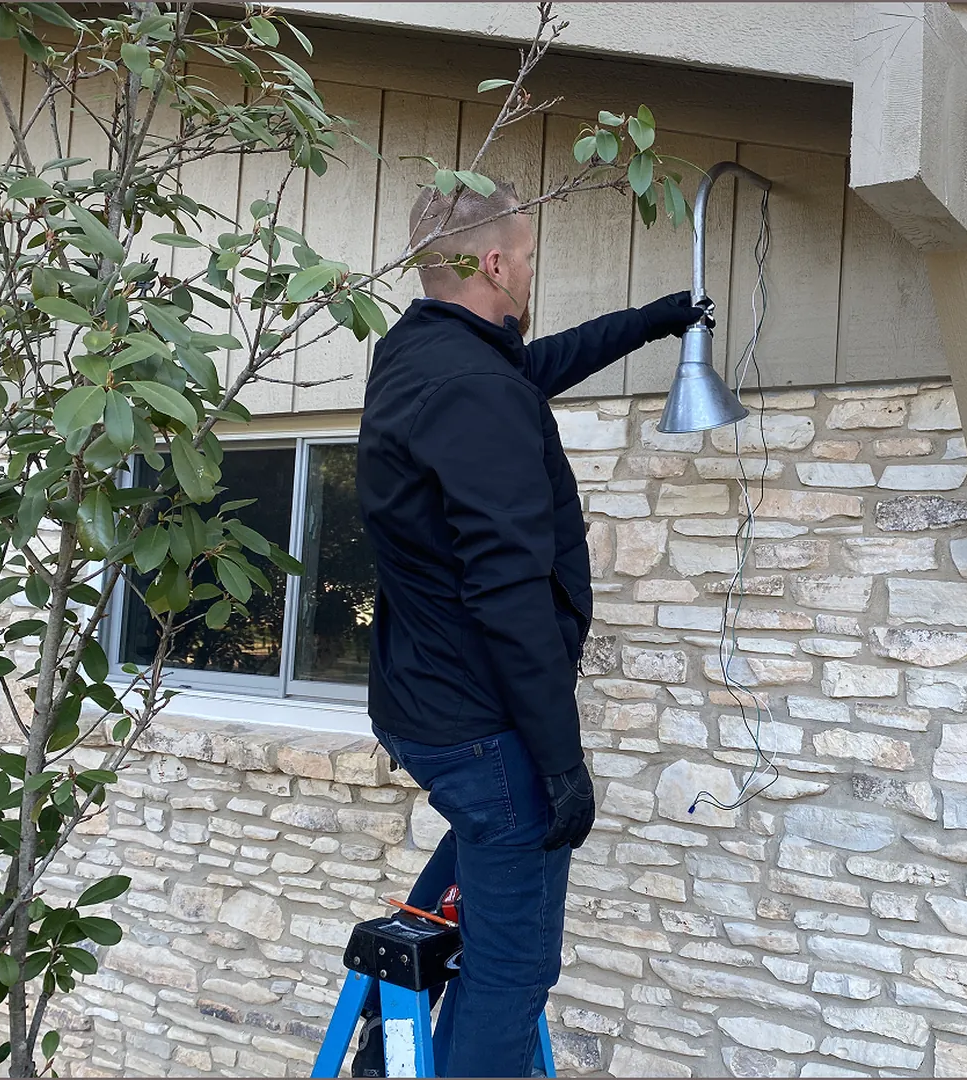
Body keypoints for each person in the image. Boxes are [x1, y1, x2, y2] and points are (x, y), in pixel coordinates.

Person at [352, 178, 707, 1077]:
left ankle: (385, 1041)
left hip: (423, 703)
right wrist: (560, 764)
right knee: (511, 973)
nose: (533, 273)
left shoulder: (420, 355)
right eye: (530, 258)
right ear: (496, 264)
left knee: (484, 837)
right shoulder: (476, 388)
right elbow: (508, 594)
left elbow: (528, 370)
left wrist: (648, 323)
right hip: (483, 726)